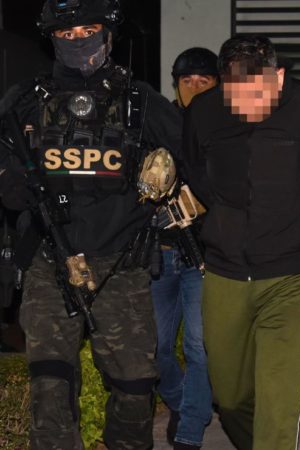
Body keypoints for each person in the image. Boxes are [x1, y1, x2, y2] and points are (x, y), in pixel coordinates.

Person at [0, 1, 182, 448]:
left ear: (109, 36)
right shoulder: (24, 101)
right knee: (50, 383)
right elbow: (6, 176)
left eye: (89, 30)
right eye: (67, 34)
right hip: (48, 259)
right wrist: (14, 182)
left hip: (122, 263)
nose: (79, 40)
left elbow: (196, 157)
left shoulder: (139, 101)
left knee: (136, 385)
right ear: (52, 39)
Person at [181, 35, 300, 450]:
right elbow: (194, 169)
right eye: (236, 93)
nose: (247, 103)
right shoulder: (205, 111)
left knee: (277, 404)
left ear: (278, 76)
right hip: (227, 271)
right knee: (230, 397)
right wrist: (227, 219)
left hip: (293, 276)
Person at [150, 47, 218, 450]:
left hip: (203, 253)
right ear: (175, 83)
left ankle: (190, 427)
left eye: (203, 81)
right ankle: (180, 401)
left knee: (198, 346)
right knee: (155, 347)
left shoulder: (226, 125)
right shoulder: (157, 120)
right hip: (159, 252)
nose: (194, 87)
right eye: (187, 80)